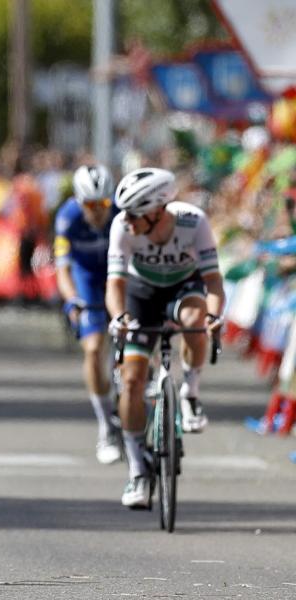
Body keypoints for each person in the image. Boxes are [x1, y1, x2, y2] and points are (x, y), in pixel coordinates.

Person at [106, 167, 224, 509]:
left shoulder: (194, 222)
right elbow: (115, 285)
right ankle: (139, 471)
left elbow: (213, 281)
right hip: (141, 294)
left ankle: (190, 392)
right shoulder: (121, 229)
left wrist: (215, 316)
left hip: (183, 288)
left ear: (158, 211)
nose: (126, 221)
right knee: (131, 380)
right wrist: (118, 318)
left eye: (133, 214)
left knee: (194, 320)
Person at [54, 164, 121, 464]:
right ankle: (106, 426)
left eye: (103, 204)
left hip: (118, 276)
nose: (97, 212)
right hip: (87, 281)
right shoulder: (67, 218)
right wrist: (72, 301)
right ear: (79, 202)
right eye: (90, 205)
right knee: (93, 348)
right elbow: (63, 269)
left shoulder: (122, 214)